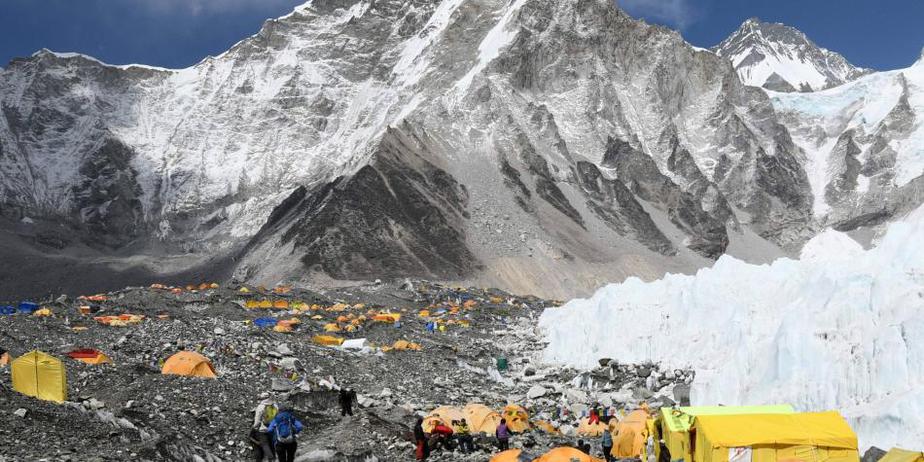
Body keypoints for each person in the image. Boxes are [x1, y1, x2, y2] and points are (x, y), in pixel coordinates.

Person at [251, 397, 278, 462]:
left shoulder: (260, 407)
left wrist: (254, 428)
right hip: (273, 428)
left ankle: (271, 458)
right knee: (272, 444)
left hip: (263, 429)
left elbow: (257, 421)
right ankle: (273, 458)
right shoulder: (275, 405)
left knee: (265, 444)